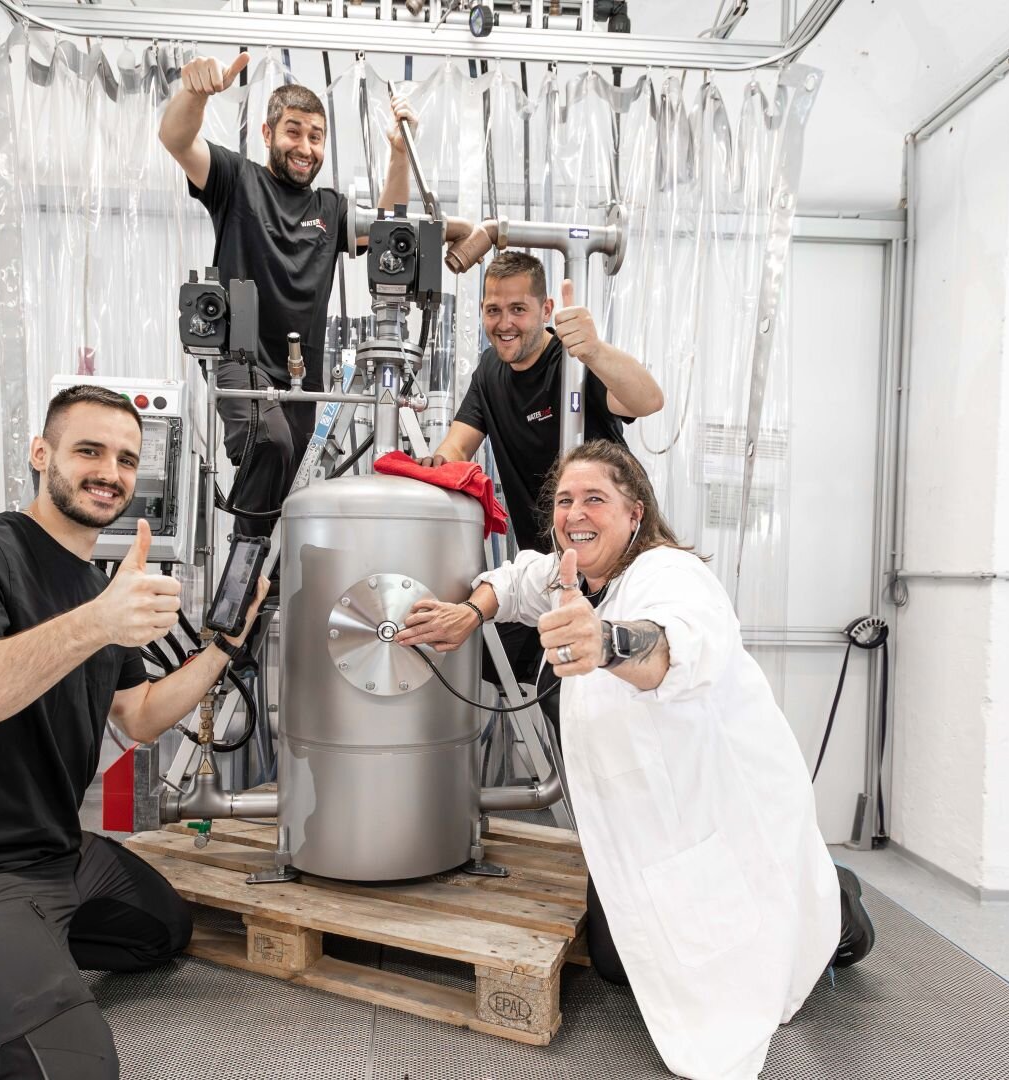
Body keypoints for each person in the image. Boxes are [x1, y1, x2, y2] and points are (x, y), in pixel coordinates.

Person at [396, 440, 874, 1080]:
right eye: (565, 500)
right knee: (616, 962)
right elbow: (515, 579)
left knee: (772, 936)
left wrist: (607, 640)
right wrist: (469, 612)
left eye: (595, 499)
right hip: (640, 818)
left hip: (715, 809)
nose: (575, 514)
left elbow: (676, 644)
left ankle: (836, 904)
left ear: (634, 514)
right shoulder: (575, 575)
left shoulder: (669, 575)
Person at [0, 384, 267, 1079]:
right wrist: (99, 623)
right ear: (42, 454)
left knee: (163, 933)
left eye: (127, 459)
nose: (110, 472)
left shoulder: (100, 589)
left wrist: (225, 647)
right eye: (89, 451)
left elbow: (139, 715)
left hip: (58, 849)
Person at [160, 52, 418, 537]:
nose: (305, 147)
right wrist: (194, 94)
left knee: (294, 490)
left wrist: (400, 153)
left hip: (302, 373)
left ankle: (266, 576)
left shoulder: (330, 209)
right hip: (240, 360)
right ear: (267, 133)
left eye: (315, 137)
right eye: (293, 132)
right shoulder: (236, 180)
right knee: (270, 442)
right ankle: (245, 571)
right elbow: (176, 139)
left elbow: (389, 227)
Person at [419, 250, 663, 675]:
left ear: (546, 309)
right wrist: (420, 473)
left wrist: (595, 351)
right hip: (549, 564)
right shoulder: (488, 371)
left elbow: (648, 400)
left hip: (609, 558)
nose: (504, 323)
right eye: (493, 310)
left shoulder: (574, 362)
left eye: (519, 309)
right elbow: (454, 449)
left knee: (595, 681)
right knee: (491, 663)